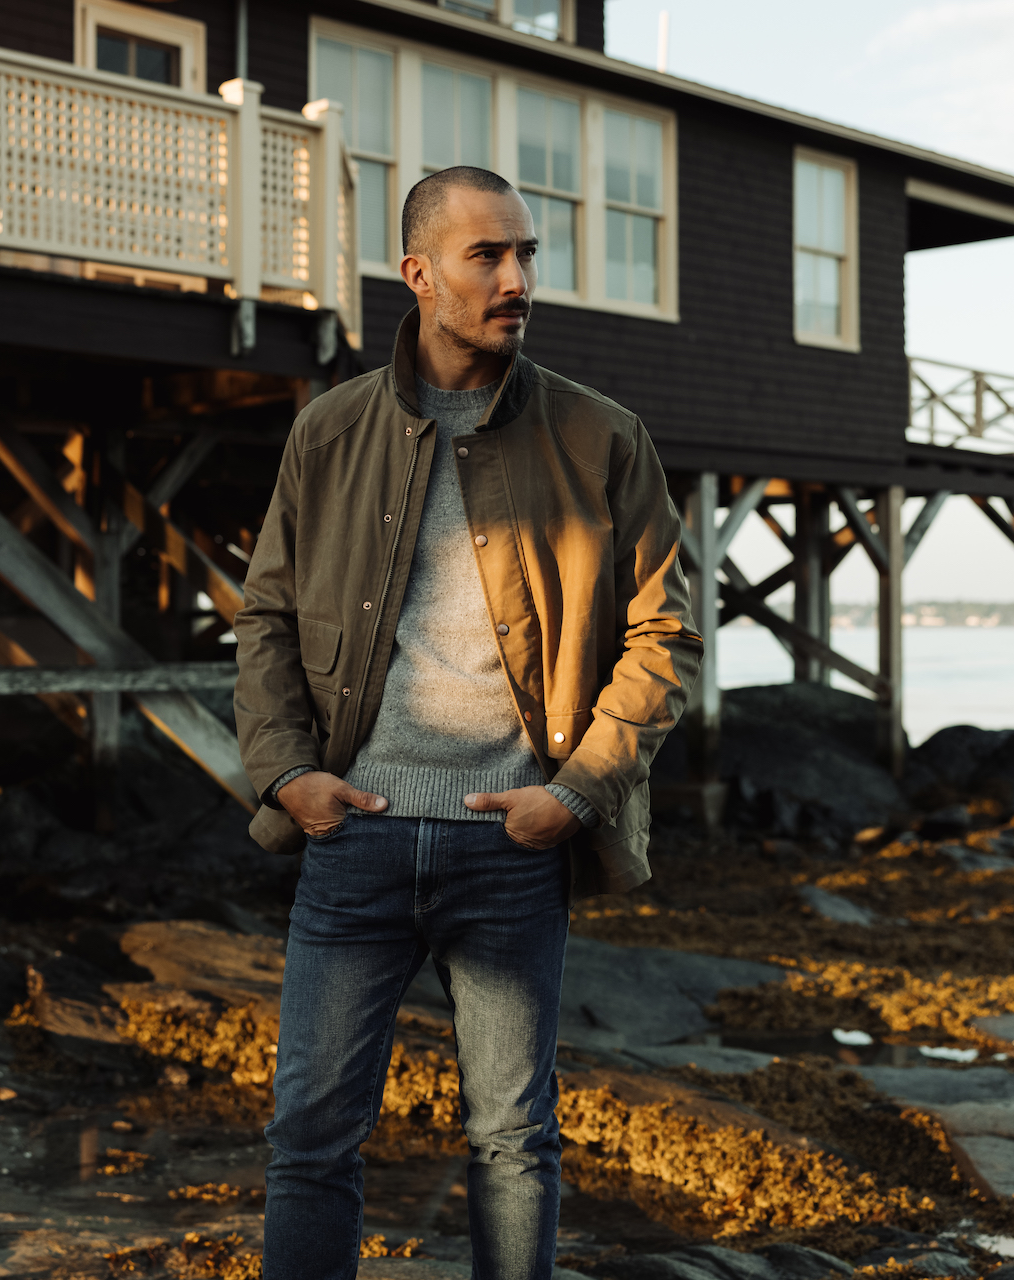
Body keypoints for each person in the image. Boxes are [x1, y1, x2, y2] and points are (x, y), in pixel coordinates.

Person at [232, 164, 701, 1280]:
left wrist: (575, 794)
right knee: (308, 1141)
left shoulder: (601, 435)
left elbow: (665, 637)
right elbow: (264, 615)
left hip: (512, 841)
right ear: (418, 273)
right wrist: (286, 775)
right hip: (354, 835)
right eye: (486, 255)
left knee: (511, 1142)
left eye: (525, 254)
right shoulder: (330, 431)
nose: (515, 279)